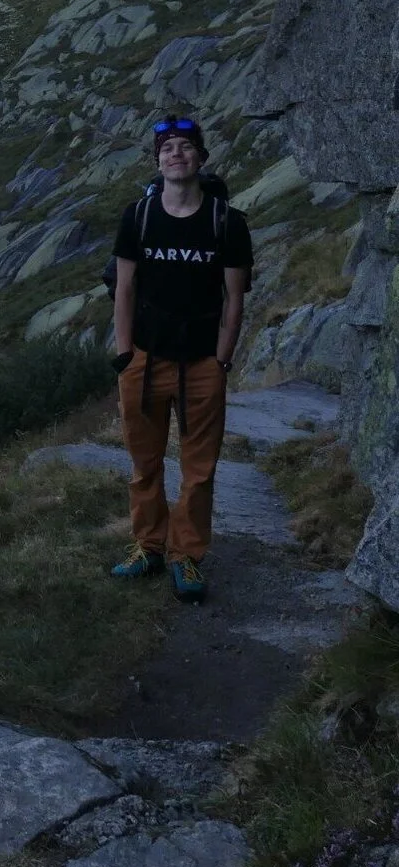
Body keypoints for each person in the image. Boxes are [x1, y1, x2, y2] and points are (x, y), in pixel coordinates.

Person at [108, 115, 253, 603]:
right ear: (157, 161)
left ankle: (185, 554)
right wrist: (124, 352)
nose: (176, 153)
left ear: (201, 158)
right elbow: (124, 287)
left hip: (201, 365)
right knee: (143, 462)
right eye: (167, 147)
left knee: (199, 468)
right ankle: (148, 546)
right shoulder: (139, 217)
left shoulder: (226, 223)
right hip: (146, 362)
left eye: (185, 146)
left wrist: (222, 359)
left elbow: (234, 299)